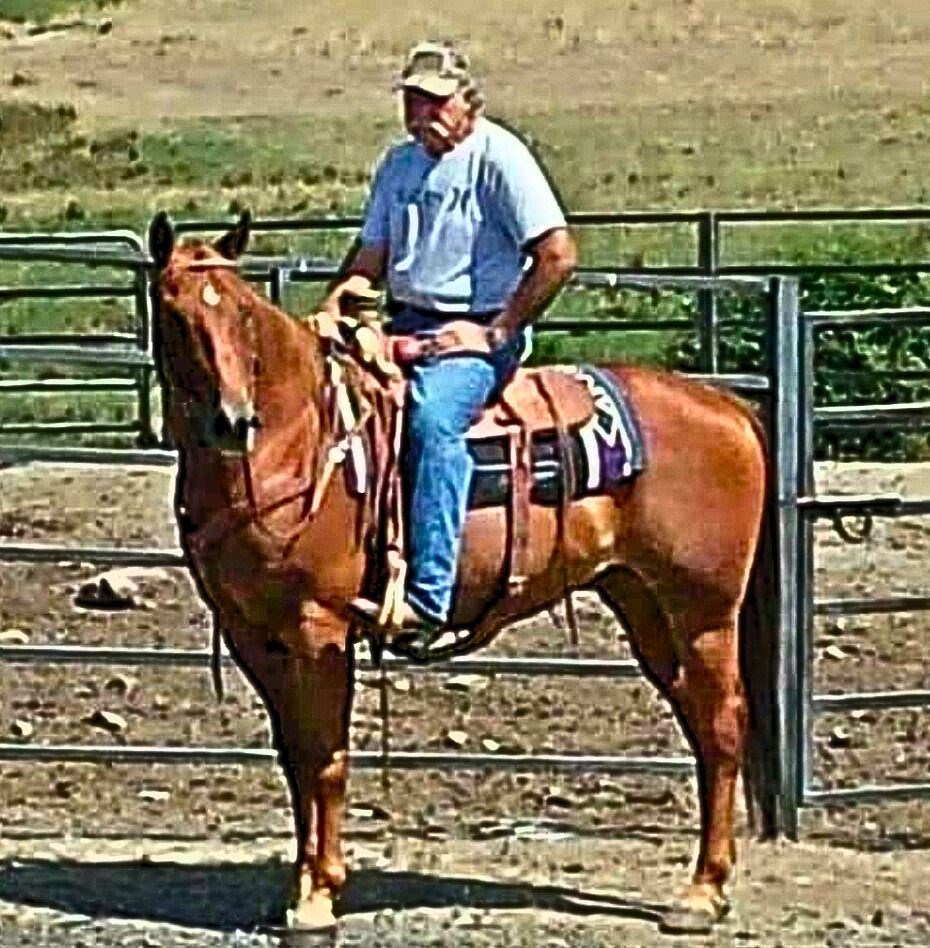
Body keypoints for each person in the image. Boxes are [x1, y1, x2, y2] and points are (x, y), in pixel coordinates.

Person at [324, 41, 577, 647]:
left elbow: (557, 255)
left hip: (476, 331)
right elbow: (373, 255)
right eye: (413, 101)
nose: (422, 115)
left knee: (434, 421)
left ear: (467, 101)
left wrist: (496, 332)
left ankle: (429, 598)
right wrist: (337, 303)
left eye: (434, 101)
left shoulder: (500, 158)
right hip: (406, 321)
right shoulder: (398, 166)